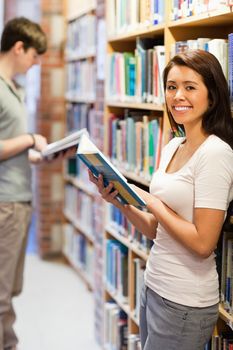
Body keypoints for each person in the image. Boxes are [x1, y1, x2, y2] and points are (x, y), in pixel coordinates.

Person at [89, 49, 233, 350]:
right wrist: (121, 201)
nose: (178, 96)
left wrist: (152, 201)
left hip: (185, 302)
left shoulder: (217, 154)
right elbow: (158, 230)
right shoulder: (173, 146)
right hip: (154, 287)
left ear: (213, 95)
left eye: (189, 87)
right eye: (171, 87)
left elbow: (203, 242)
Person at [0, 17, 48, 350]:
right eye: (33, 57)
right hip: (5, 203)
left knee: (9, 289)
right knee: (1, 294)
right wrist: (31, 139)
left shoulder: (12, 88)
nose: (34, 65)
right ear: (19, 48)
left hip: (17, 199)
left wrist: (35, 154)